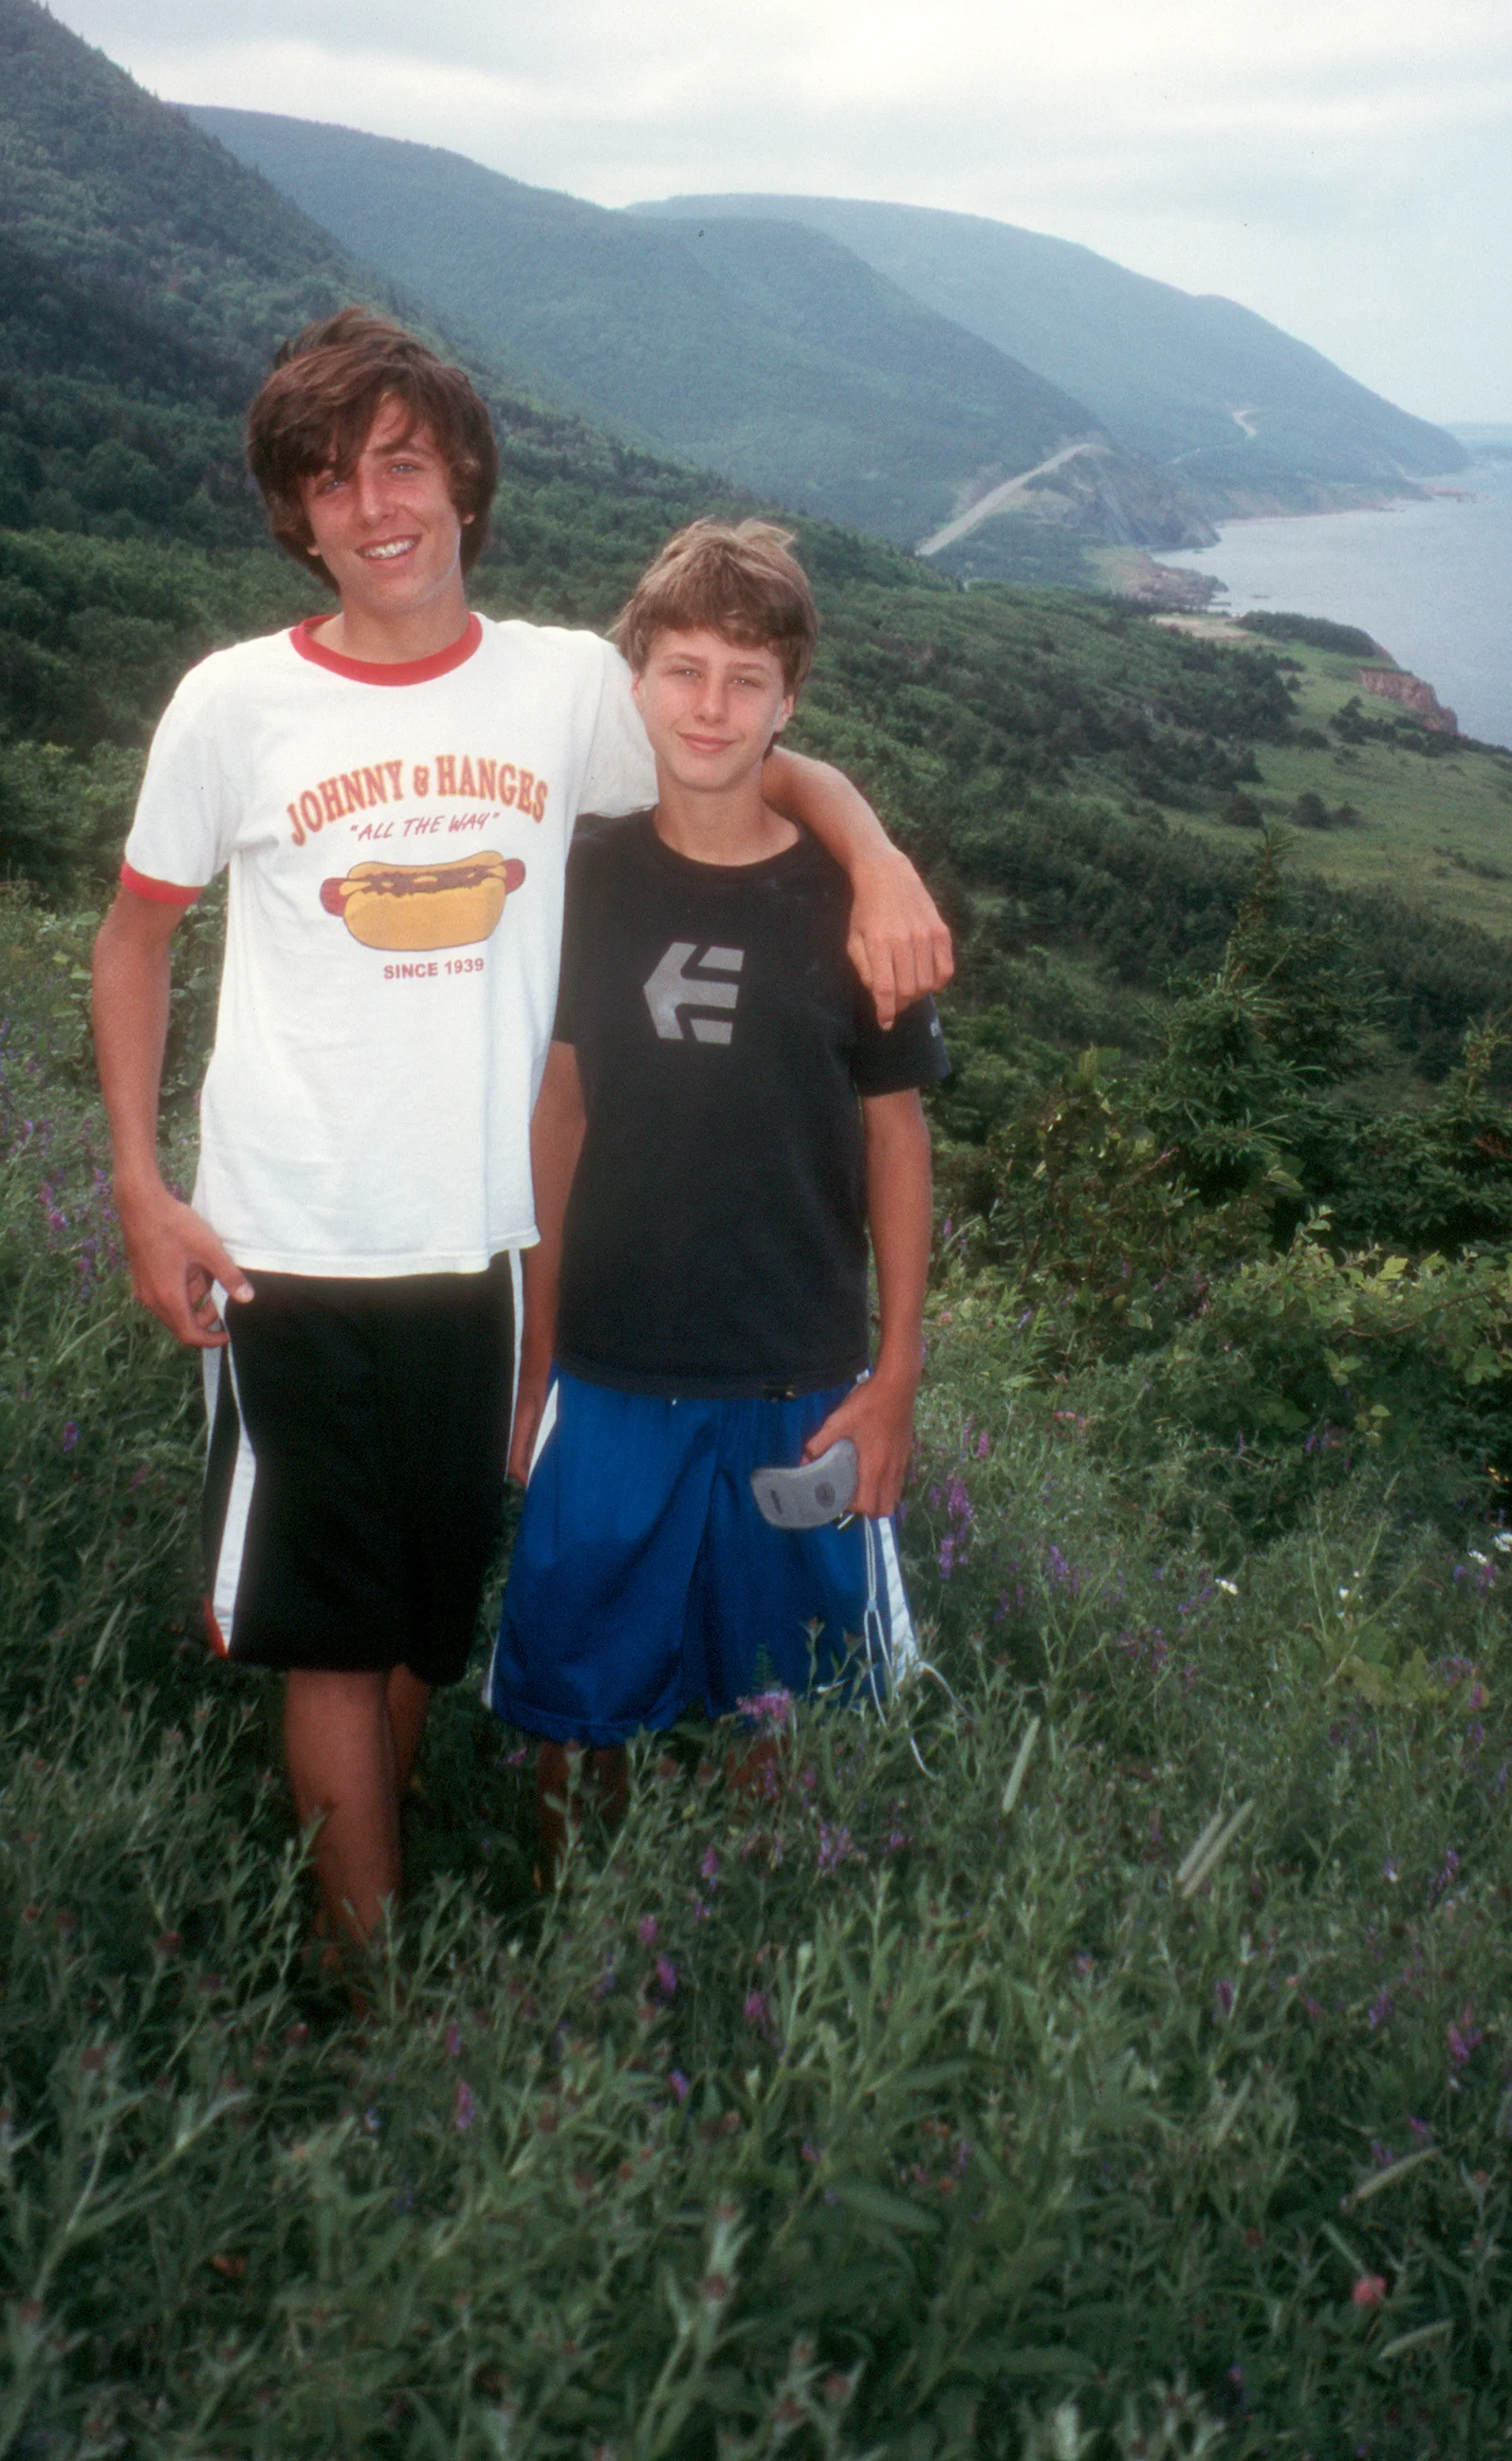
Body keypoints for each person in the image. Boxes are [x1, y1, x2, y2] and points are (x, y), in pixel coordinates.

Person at [90, 313, 950, 1958]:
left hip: (490, 1257)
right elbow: (136, 936)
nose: (372, 504)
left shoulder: (560, 685)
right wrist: (142, 1185)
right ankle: (378, 2007)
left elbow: (750, 741)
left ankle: (374, 1936)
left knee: (420, 1623)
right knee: (335, 1640)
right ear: (298, 510)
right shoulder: (234, 702)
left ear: (464, 482)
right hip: (291, 1244)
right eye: (328, 477)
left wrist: (875, 851)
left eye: (402, 462)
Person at [488, 518, 950, 1871]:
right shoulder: (581, 877)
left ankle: (757, 1952)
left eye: (747, 679)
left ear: (791, 697)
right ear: (636, 683)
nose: (710, 706)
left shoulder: (855, 906)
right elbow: (557, 1113)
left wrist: (898, 1371)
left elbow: (898, 1139)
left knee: (789, 1705)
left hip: (797, 1373)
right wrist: (535, 1359)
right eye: (682, 670)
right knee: (577, 1703)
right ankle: (579, 1937)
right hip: (613, 1366)